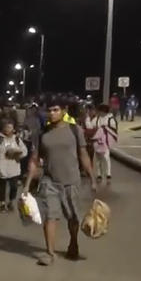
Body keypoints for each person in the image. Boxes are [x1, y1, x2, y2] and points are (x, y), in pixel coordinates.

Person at [23, 104, 96, 267]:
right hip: (49, 181)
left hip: (71, 181)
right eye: (49, 110)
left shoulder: (74, 130)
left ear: (64, 111)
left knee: (73, 217)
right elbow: (34, 159)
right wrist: (28, 184)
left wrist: (92, 178)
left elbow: (83, 154)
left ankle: (73, 243)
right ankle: (50, 253)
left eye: (55, 110)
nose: (52, 113)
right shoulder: (42, 133)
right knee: (50, 216)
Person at [0, 120, 27, 212]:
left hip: (14, 167)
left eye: (10, 127)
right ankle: (2, 204)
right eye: (6, 127)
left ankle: (11, 201)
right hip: (1, 167)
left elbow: (24, 151)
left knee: (14, 186)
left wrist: (17, 152)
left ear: (13, 129)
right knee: (2, 186)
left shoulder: (17, 139)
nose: (7, 129)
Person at [91, 104, 118, 184]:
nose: (99, 113)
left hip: (105, 141)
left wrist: (104, 129)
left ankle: (108, 174)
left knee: (106, 157)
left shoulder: (110, 119)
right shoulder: (96, 119)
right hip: (97, 141)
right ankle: (99, 174)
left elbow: (114, 129)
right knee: (98, 158)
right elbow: (92, 126)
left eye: (100, 111)